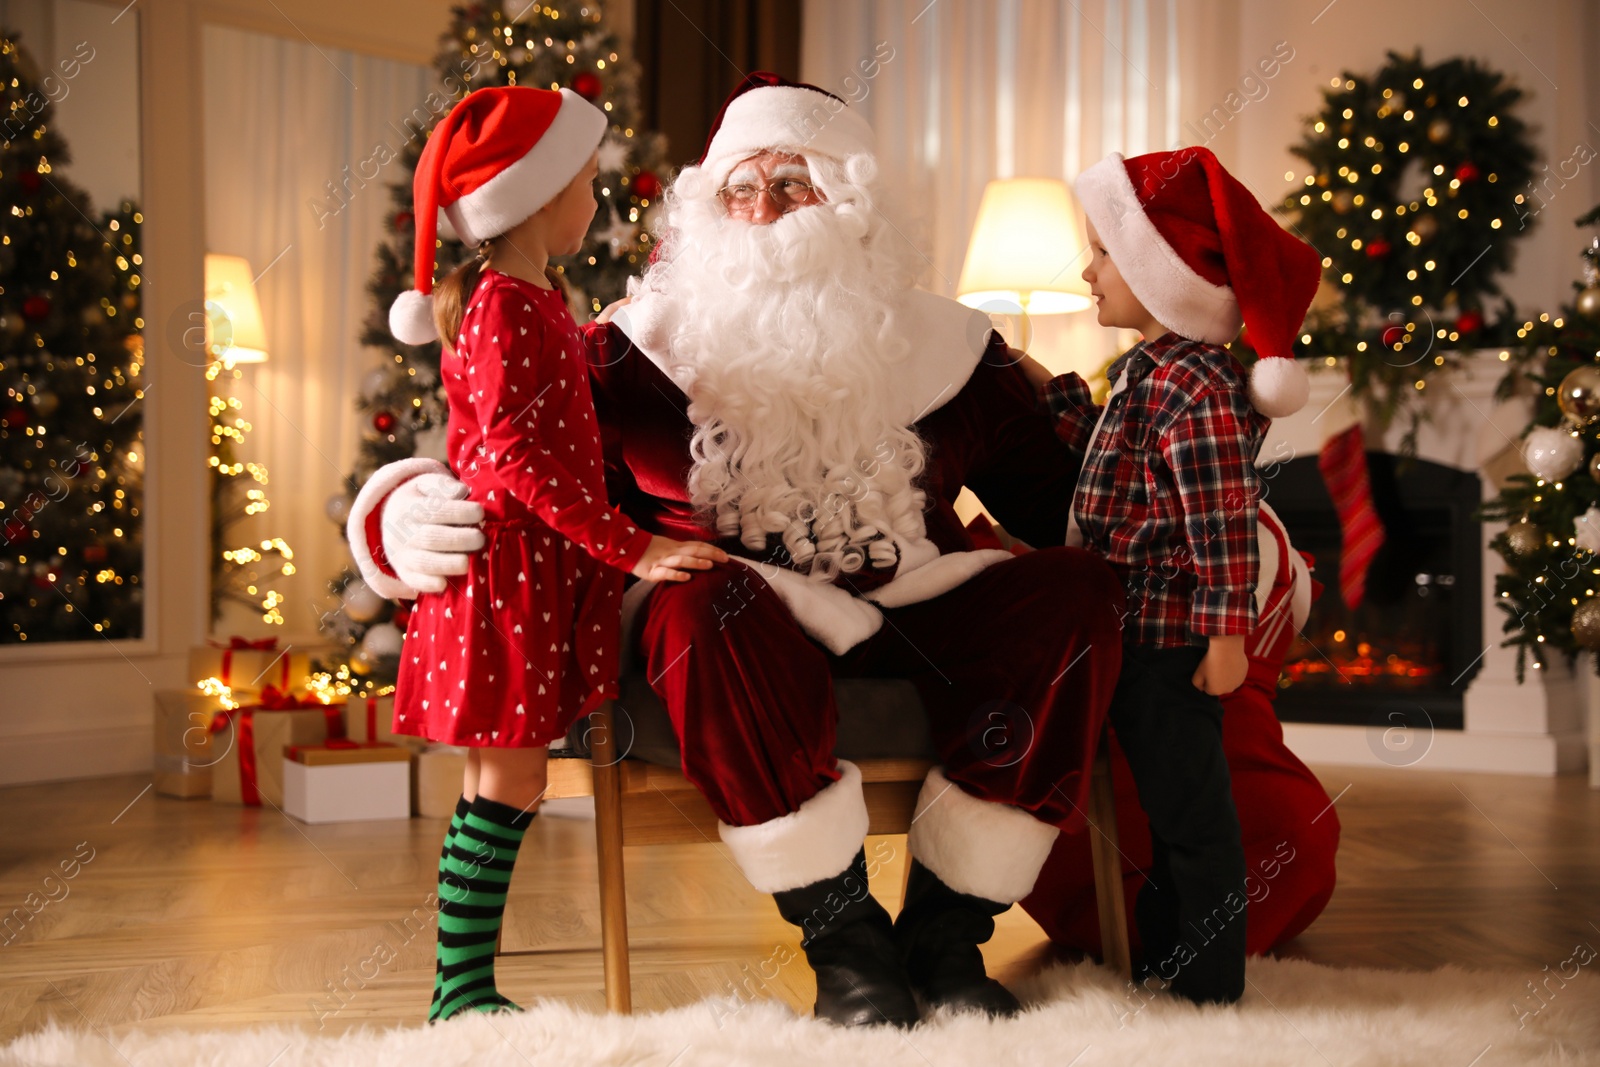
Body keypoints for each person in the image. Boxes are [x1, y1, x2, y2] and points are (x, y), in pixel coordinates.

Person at [347, 74, 1338, 1027]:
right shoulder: (626, 348)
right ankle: (848, 946)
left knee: (1074, 593)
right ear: (707, 210)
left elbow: (1062, 503)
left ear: (851, 203)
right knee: (700, 609)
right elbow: (516, 454)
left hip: (919, 597)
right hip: (735, 613)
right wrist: (399, 508)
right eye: (740, 187)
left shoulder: (951, 347)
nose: (764, 208)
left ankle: (947, 940)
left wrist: (1211, 528)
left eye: (793, 183)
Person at [368, 85, 727, 1023]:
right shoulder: (507, 309)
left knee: (498, 775)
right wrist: (633, 545)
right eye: (585, 185)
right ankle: (462, 988)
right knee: (512, 775)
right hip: (508, 578)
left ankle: (459, 985)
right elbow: (519, 462)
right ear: (532, 198)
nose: (595, 203)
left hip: (526, 573)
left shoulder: (535, 299)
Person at [1025, 145, 1322, 1005]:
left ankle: (1208, 985)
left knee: (1194, 819)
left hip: (1171, 640)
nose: (1088, 270)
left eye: (1107, 253)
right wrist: (1053, 390)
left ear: (1168, 274)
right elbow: (1117, 472)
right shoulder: (1149, 372)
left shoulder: (1194, 387)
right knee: (1159, 812)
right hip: (1136, 633)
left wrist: (1226, 633)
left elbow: (1220, 519)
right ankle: (1167, 958)